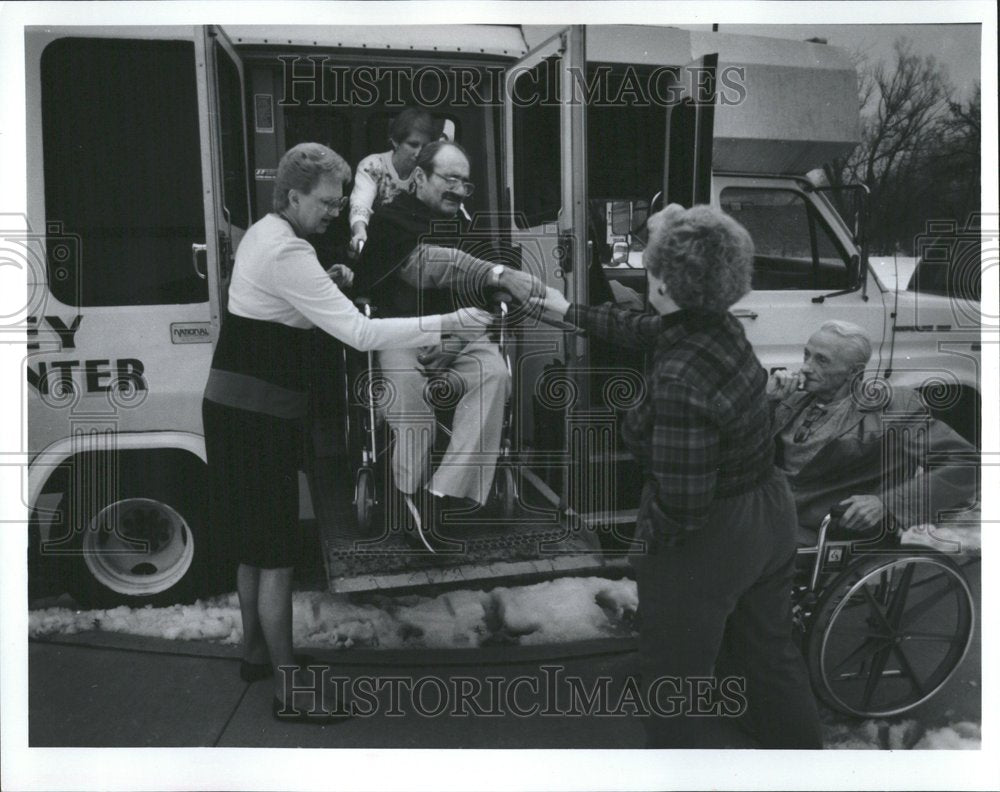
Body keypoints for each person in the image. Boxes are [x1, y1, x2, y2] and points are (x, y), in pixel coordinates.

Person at [201, 142, 489, 721]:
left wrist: (325, 276)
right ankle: (290, 691)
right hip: (258, 417)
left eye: (339, 202)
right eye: (327, 203)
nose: (337, 211)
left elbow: (289, 302)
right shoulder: (288, 251)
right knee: (277, 552)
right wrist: (448, 320)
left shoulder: (267, 233)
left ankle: (256, 653)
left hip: (238, 408)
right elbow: (359, 333)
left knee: (254, 548)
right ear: (293, 197)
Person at [533, 204, 822, 748]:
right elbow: (648, 330)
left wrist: (651, 555)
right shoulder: (718, 326)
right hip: (770, 511)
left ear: (662, 283)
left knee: (673, 681)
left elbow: (683, 505)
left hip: (714, 531)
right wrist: (563, 308)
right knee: (771, 654)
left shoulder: (680, 378)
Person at [355, 140, 541, 540]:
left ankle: (441, 492)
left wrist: (458, 340)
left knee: (494, 373)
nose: (458, 190)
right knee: (412, 401)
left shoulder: (466, 226)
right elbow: (422, 269)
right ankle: (407, 494)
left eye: (465, 183)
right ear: (420, 177)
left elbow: (495, 297)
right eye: (450, 179)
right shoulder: (389, 221)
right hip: (402, 332)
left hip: (459, 337)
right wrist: (490, 274)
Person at [766, 320, 978, 536]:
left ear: (853, 372)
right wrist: (766, 403)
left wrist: (886, 503)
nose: (805, 367)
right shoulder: (791, 398)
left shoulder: (893, 408)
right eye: (806, 355)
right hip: (766, 507)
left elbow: (967, 464)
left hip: (818, 526)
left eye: (821, 361)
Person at [348, 107, 439, 255]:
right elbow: (360, 203)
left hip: (412, 251)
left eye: (425, 146)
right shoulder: (373, 165)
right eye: (413, 144)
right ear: (396, 141)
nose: (419, 153)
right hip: (372, 246)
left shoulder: (429, 172)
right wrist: (359, 231)